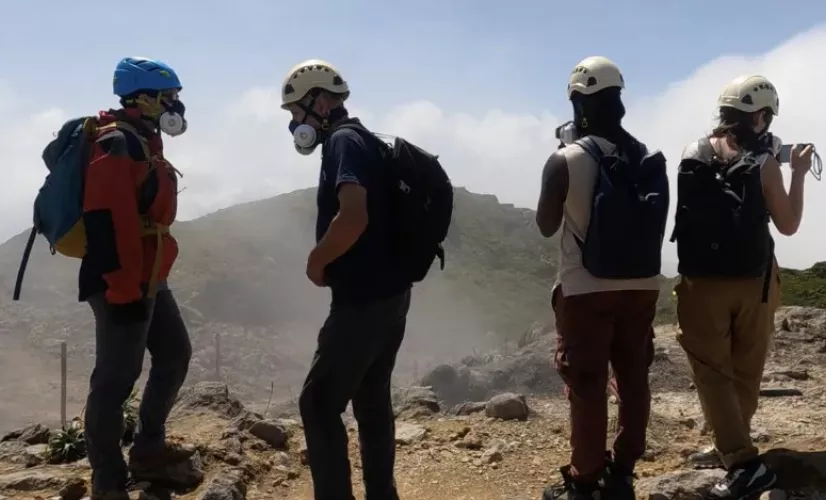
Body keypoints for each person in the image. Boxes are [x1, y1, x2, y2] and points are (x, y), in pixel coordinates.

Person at [671, 74, 812, 499]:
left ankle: (733, 451)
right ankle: (744, 462)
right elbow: (788, 225)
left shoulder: (689, 153)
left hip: (699, 282)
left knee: (712, 373)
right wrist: (799, 173)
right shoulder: (766, 163)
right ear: (761, 116)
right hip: (753, 281)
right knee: (746, 371)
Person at [536, 56, 670, 500]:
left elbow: (546, 224)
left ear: (578, 103)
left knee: (588, 384)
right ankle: (623, 472)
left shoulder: (566, 160)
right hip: (642, 286)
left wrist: (563, 155)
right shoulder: (648, 158)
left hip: (585, 289)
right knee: (634, 379)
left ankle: (586, 478)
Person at [280, 59, 413, 500]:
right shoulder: (366, 140)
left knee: (317, 405)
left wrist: (316, 262)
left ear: (319, 101)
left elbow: (353, 215)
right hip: (392, 295)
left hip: (363, 301)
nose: (295, 122)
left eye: (296, 111)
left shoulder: (341, 142)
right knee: (372, 398)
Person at [83, 57, 195, 500]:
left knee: (174, 354)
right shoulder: (117, 143)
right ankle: (108, 484)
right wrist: (124, 289)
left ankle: (148, 448)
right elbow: (106, 221)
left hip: (147, 276)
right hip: (119, 281)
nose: (177, 106)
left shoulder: (143, 139)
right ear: (144, 98)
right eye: (170, 98)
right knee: (115, 380)